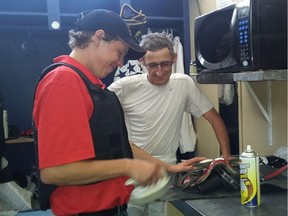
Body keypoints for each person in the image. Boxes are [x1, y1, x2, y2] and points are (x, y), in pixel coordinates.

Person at [32, 10, 205, 216]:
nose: (121, 63)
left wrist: (165, 167)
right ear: (98, 37)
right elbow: (55, 172)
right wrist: (128, 167)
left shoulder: (89, 84)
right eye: (120, 52)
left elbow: (118, 145)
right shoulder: (64, 81)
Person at [108, 32, 233, 216]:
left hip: (167, 170)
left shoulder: (184, 84)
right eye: (152, 65)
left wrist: (226, 156)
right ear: (142, 61)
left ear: (174, 59)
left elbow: (214, 117)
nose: (159, 71)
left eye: (165, 64)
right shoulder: (124, 87)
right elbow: (109, 130)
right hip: (135, 169)